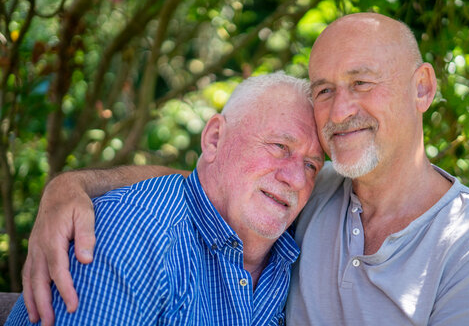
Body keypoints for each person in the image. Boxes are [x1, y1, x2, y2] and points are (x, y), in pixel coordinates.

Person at [19, 14, 469, 325]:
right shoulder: (317, 194)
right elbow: (193, 187)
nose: (338, 111)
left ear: (422, 87)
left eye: (361, 83)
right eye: (325, 90)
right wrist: (74, 187)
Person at [7, 72, 324, 325]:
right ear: (214, 139)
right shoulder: (132, 236)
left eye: (311, 165)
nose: (296, 179)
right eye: (279, 147)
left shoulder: (297, 247)